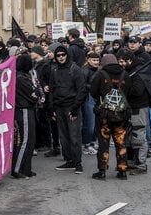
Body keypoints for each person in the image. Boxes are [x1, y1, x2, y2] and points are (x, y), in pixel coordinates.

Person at [88, 54, 130, 180]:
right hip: (121, 115)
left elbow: (93, 92)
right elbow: (129, 92)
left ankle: (102, 171)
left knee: (103, 143)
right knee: (120, 142)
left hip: (104, 115)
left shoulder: (100, 75)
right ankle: (122, 171)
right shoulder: (125, 75)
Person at [48, 45, 87, 174]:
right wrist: (52, 107)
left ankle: (78, 162)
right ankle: (69, 160)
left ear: (67, 55)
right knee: (63, 136)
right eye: (58, 55)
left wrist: (75, 108)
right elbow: (52, 89)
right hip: (59, 107)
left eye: (63, 55)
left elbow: (82, 90)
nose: (60, 58)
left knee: (74, 136)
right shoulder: (54, 70)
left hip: (71, 106)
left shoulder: (75, 69)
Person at [11, 54, 39, 179]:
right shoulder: (21, 78)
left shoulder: (22, 76)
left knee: (30, 140)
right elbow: (33, 94)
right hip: (23, 110)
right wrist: (36, 93)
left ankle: (26, 168)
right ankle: (17, 169)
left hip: (27, 109)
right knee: (25, 140)